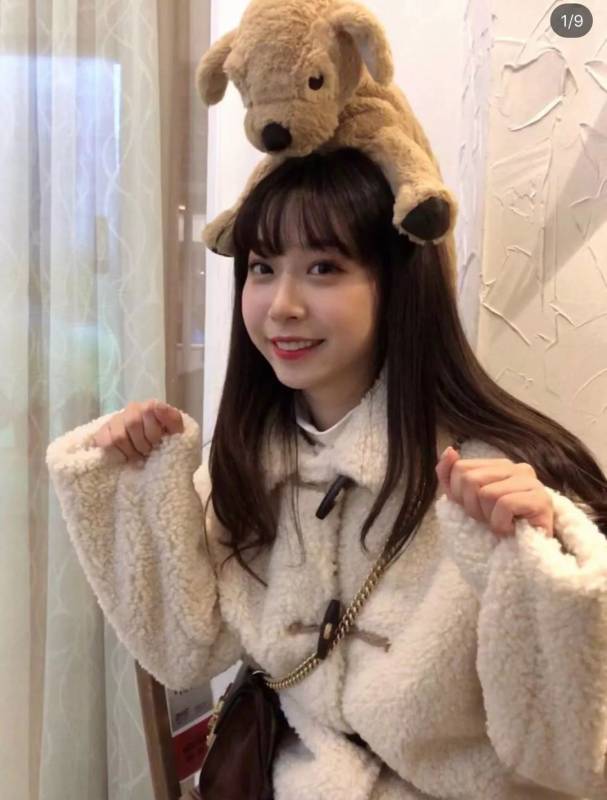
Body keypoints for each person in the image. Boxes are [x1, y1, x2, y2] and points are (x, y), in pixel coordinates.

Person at [47, 147, 607, 800]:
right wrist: (138, 482)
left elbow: (577, 758)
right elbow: (185, 650)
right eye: (262, 267)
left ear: (396, 281)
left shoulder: (505, 477)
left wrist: (539, 561)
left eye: (323, 267)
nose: (281, 305)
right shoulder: (250, 464)